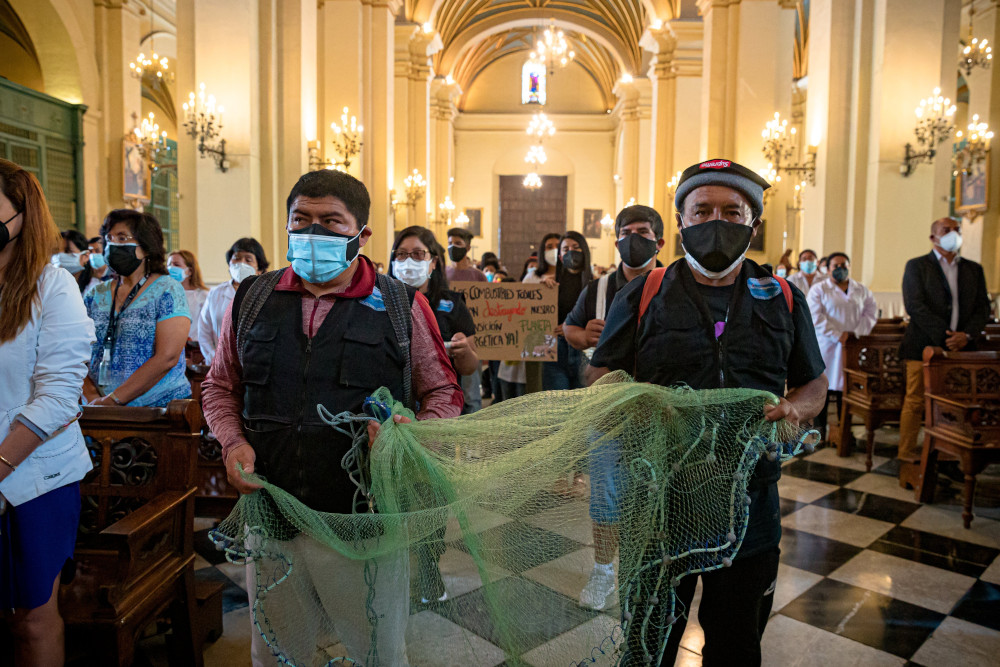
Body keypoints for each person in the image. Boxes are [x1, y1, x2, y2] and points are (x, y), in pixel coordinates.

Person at [201, 169, 462, 665]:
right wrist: (233, 442)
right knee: (277, 650)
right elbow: (219, 385)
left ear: (361, 236)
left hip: (361, 516)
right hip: (271, 508)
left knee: (377, 651)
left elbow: (443, 391)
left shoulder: (402, 306)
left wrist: (411, 436)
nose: (313, 232)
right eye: (302, 220)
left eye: (330, 221)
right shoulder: (254, 298)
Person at [588, 158, 827, 665]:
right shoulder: (644, 293)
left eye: (732, 212)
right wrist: (631, 402)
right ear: (680, 223)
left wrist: (795, 409)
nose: (716, 222)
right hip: (658, 501)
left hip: (750, 504)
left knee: (737, 645)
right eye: (702, 211)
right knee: (649, 643)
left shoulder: (782, 297)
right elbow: (600, 373)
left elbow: (814, 382)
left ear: (754, 224)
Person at [0, 158, 95, 666]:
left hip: (33, 478)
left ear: (21, 215)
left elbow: (59, 396)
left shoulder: (51, 287)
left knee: (29, 618)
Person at [563, 204, 665, 611]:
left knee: (655, 490)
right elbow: (570, 329)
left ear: (659, 240)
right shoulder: (599, 288)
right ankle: (604, 569)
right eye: (625, 231)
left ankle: (647, 567)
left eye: (642, 231)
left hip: (660, 407)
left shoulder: (675, 284)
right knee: (604, 491)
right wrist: (582, 334)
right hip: (607, 406)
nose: (632, 238)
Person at [898, 218, 990, 470]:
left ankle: (950, 451)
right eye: (946, 230)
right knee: (916, 400)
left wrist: (966, 336)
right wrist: (946, 336)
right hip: (923, 345)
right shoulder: (917, 266)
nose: (954, 234)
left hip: (963, 348)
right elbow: (915, 305)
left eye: (957, 230)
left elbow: (983, 308)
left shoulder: (973, 269)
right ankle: (906, 453)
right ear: (933, 238)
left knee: (955, 400)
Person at [82, 210, 191, 407]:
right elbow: (74, 351)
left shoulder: (167, 290)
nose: (113, 245)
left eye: (122, 238)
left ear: (146, 247)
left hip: (157, 409)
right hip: (97, 408)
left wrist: (114, 400)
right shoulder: (94, 295)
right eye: (109, 238)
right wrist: (93, 400)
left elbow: (167, 357)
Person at [389, 226, 480, 411]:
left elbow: (469, 367)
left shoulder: (451, 303)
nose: (408, 261)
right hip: (389, 406)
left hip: (439, 409)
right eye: (401, 254)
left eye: (418, 254)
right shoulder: (378, 302)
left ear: (434, 262)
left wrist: (463, 351)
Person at [806, 252, 877, 440]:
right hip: (827, 345)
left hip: (852, 346)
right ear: (828, 269)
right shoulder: (819, 289)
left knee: (846, 387)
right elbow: (815, 316)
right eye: (836, 266)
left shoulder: (861, 290)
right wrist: (838, 335)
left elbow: (870, 313)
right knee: (824, 388)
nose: (840, 269)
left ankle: (845, 429)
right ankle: (820, 430)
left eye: (844, 265)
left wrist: (856, 334)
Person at [197, 237, 268, 365]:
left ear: (259, 268)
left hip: (256, 364)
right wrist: (213, 356)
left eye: (248, 259)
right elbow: (204, 330)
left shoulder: (266, 294)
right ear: (229, 264)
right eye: (237, 258)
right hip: (220, 362)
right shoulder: (216, 293)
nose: (241, 263)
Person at [536, 231, 592, 391]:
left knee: (583, 406)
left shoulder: (596, 284)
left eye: (576, 247)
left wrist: (571, 327)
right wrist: (542, 292)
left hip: (584, 351)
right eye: (565, 249)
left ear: (584, 251)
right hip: (554, 349)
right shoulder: (552, 285)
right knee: (556, 407)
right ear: (560, 256)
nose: (571, 252)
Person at [168, 250, 210, 341]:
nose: (171, 268)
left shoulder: (203, 296)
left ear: (189, 271)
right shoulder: (165, 294)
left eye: (176, 264)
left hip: (193, 346)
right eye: (169, 264)